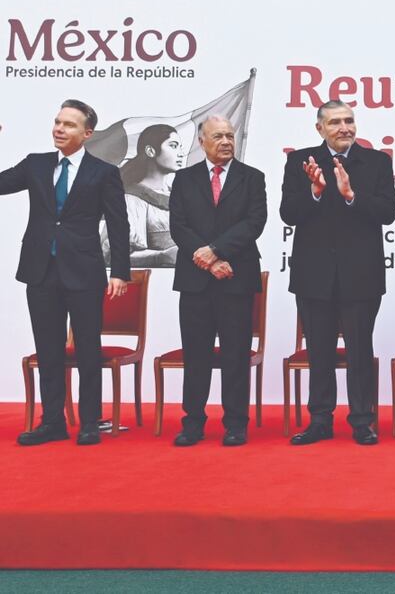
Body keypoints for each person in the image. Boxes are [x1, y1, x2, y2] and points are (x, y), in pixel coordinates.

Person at [0, 100, 130, 446]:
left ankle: (90, 422)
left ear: (87, 134)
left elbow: (119, 224)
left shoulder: (103, 172)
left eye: (69, 125)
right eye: (57, 122)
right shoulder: (36, 164)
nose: (59, 128)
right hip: (40, 270)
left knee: (88, 349)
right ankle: (53, 422)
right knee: (48, 350)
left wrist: (119, 271)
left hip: (85, 272)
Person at [281, 100, 395, 446]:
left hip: (361, 275)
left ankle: (363, 420)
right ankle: (320, 420)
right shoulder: (300, 161)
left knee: (360, 350)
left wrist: (351, 196)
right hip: (313, 275)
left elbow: (388, 212)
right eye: (335, 122)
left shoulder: (376, 161)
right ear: (320, 128)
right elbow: (289, 213)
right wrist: (315, 193)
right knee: (319, 351)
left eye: (349, 120)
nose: (344, 127)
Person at [168, 115, 267, 447]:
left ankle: (236, 423)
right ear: (202, 141)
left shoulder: (252, 178)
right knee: (196, 354)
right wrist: (207, 259)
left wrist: (216, 250)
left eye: (229, 135)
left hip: (235, 278)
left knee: (235, 354)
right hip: (196, 280)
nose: (226, 141)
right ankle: (193, 423)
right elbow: (178, 226)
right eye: (218, 136)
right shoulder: (183, 179)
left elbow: (255, 222)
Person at [112, 123, 187, 267]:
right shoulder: (132, 199)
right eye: (173, 145)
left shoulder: (182, 197)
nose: (181, 153)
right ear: (150, 151)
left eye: (180, 147)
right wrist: (163, 256)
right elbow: (120, 254)